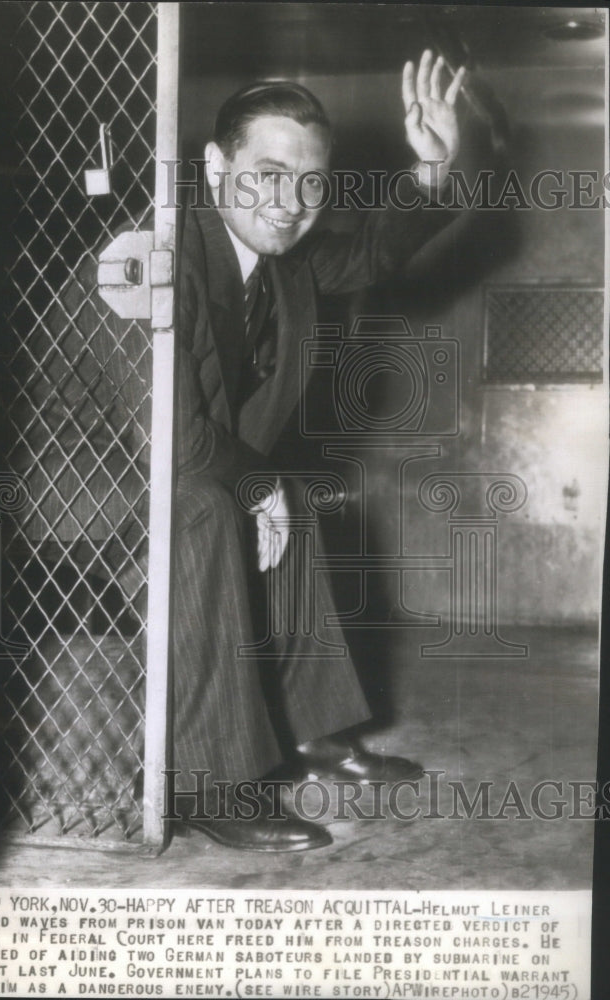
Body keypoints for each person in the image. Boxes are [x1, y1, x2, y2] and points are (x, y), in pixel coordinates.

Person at [168, 50, 466, 851]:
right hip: (88, 481)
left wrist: (431, 168)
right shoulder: (159, 259)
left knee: (281, 493)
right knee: (208, 505)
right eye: (266, 172)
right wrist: (253, 482)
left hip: (197, 463)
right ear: (213, 165)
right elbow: (165, 439)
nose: (288, 201)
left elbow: (372, 253)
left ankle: (311, 734)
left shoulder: (282, 257)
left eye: (308, 182)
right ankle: (207, 782)